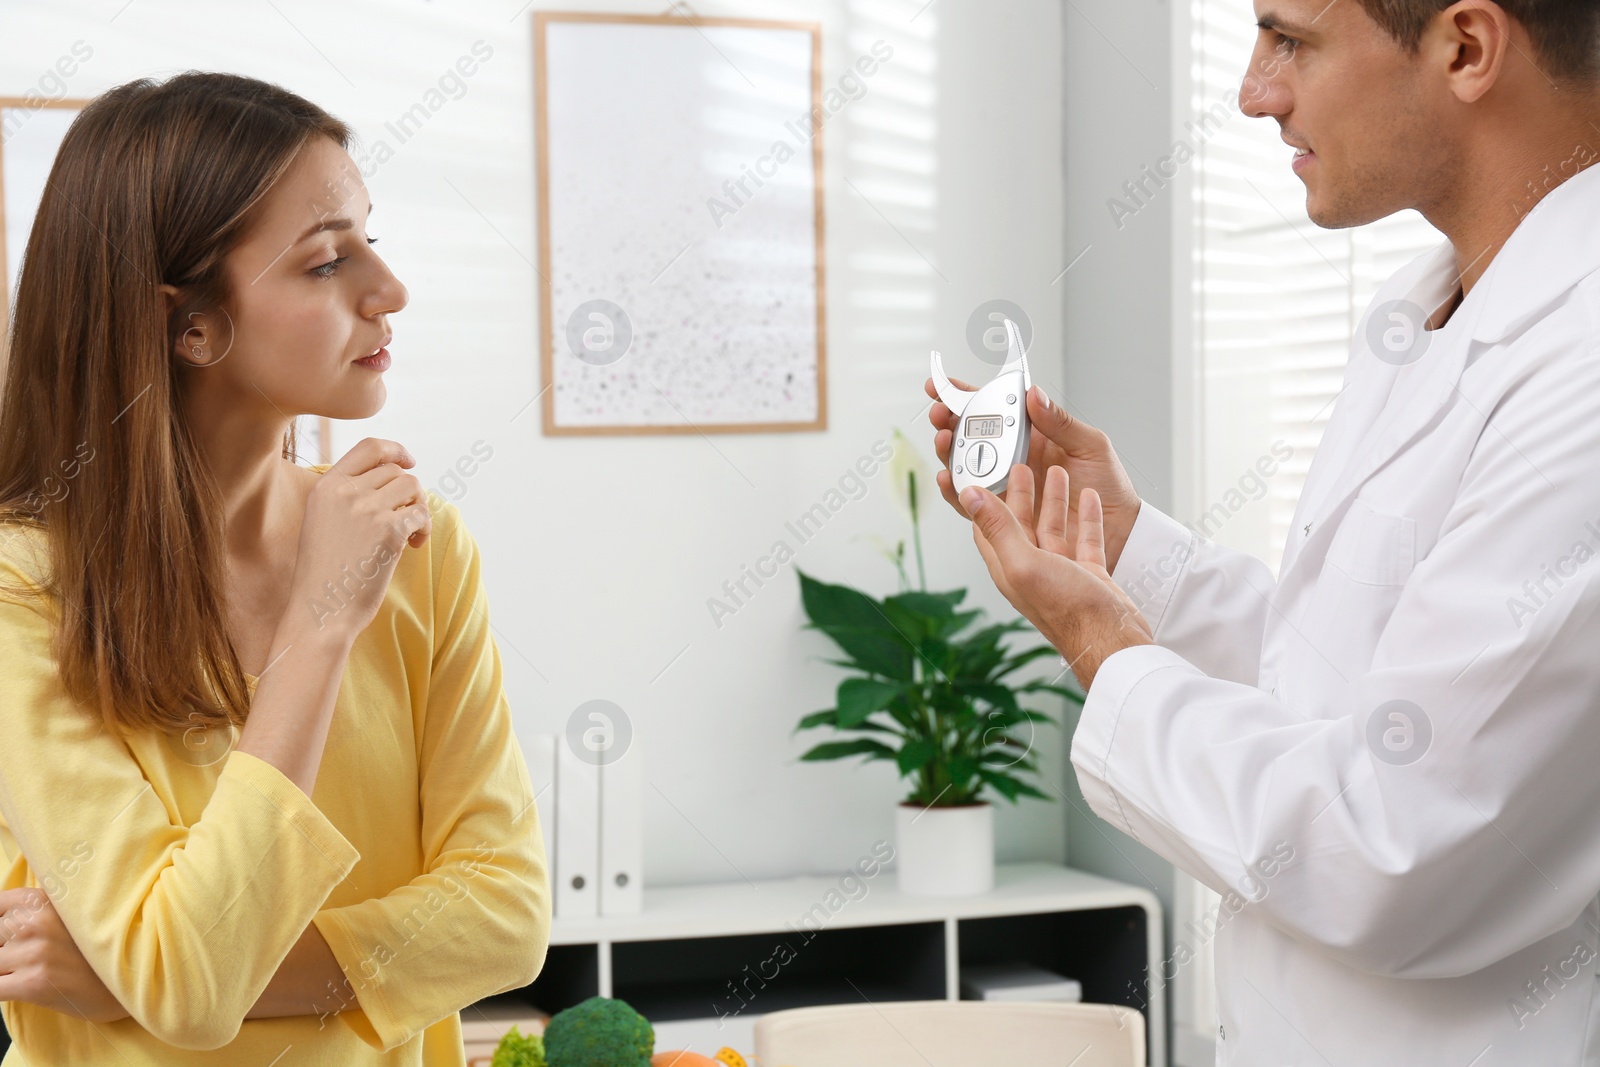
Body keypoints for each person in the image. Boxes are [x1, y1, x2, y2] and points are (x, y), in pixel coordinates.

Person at [928, 1, 1600, 1063]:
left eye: (1289, 39)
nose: (1252, 90)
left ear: (1465, 49)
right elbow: (1349, 693)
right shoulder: (1421, 309)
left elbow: (1397, 849)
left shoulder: (1582, 361)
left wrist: (1105, 648)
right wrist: (1129, 547)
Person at [0, 72, 550, 1062]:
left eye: (369, 240)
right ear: (190, 326)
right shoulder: (22, 587)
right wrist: (322, 621)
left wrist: (134, 981)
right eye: (327, 260)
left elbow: (504, 912)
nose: (389, 290)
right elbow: (187, 979)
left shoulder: (422, 544)